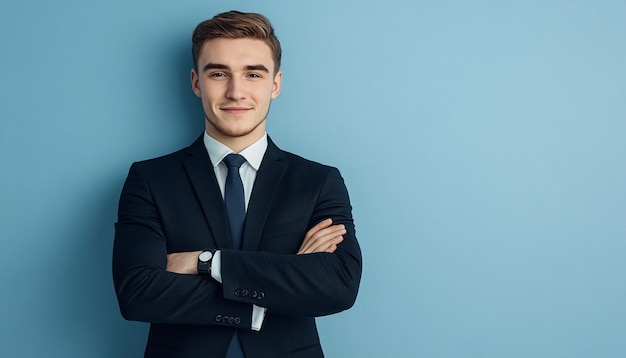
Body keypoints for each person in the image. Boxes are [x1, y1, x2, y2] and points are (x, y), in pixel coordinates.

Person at [113, 10, 362, 358]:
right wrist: (278, 287)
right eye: (218, 73)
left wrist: (208, 263)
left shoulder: (318, 181)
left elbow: (337, 286)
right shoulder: (151, 179)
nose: (235, 91)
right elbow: (137, 294)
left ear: (274, 84)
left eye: (253, 74)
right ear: (196, 82)